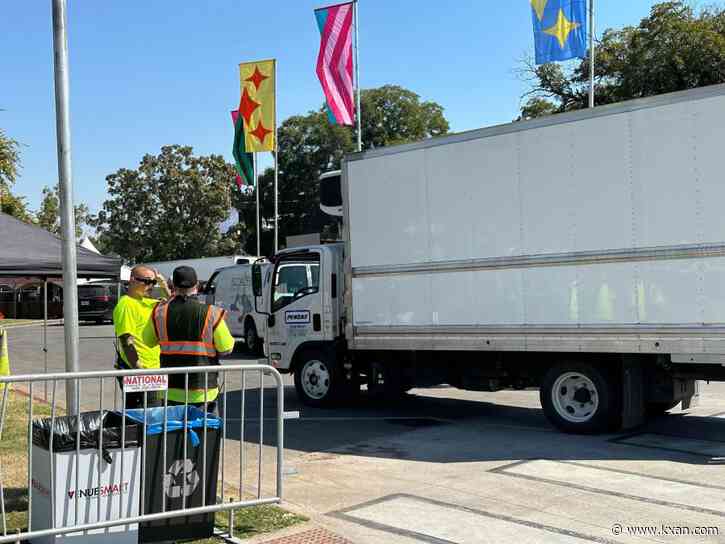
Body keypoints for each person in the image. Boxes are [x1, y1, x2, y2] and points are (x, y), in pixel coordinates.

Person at [142, 266, 234, 412]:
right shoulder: (211, 313)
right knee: (205, 433)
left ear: (173, 286)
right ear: (196, 285)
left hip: (171, 389)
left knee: (172, 434)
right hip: (203, 390)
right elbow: (226, 347)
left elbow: (147, 341)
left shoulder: (160, 312)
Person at [113, 265, 171, 408]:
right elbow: (126, 340)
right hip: (140, 371)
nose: (150, 285)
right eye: (146, 281)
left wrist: (163, 283)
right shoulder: (126, 304)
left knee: (153, 416)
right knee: (143, 418)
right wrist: (139, 371)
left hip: (153, 370)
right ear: (132, 280)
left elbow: (176, 303)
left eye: (153, 282)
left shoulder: (148, 302)